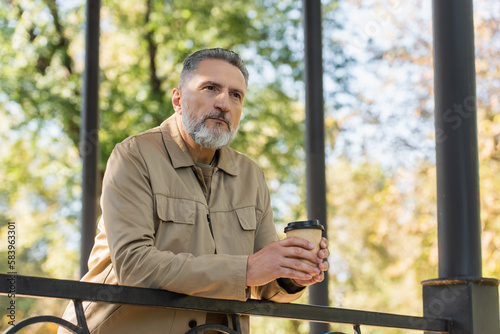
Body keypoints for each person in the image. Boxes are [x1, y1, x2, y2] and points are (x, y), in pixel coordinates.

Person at [59, 48, 329, 334]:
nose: (224, 103)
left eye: (236, 95)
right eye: (210, 88)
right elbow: (134, 264)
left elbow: (263, 282)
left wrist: (293, 274)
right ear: (178, 99)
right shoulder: (134, 156)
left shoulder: (252, 176)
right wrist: (246, 269)